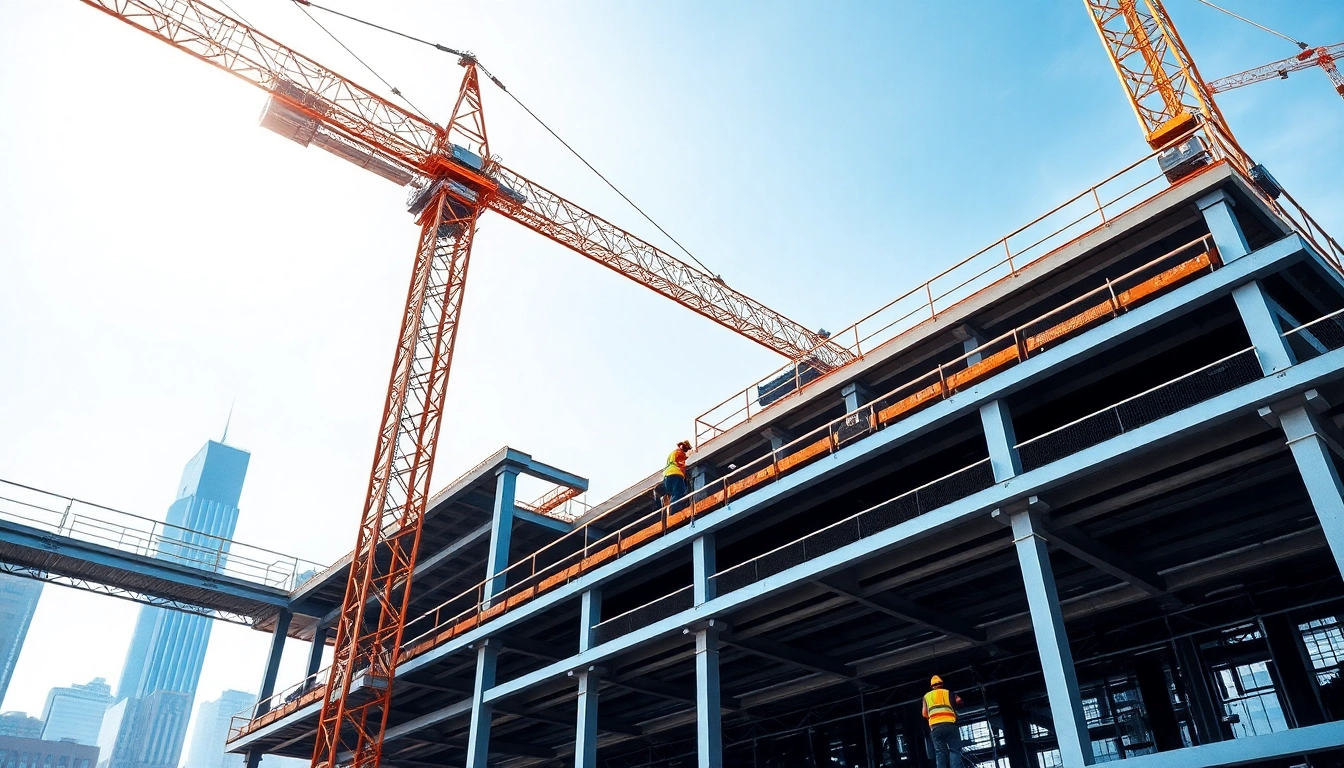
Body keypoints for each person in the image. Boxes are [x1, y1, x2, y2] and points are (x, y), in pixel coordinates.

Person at [922, 674, 964, 768]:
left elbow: (924, 714)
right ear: (942, 683)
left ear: (931, 686)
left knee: (940, 752)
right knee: (954, 750)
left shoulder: (926, 697)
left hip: (935, 728)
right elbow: (959, 701)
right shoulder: (948, 693)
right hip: (950, 725)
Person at [661, 440, 691, 507]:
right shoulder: (680, 452)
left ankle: (673, 508)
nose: (686, 451)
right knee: (679, 493)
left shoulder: (672, 454)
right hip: (675, 474)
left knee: (674, 494)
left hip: (667, 476)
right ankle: (674, 510)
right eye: (687, 449)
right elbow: (682, 462)